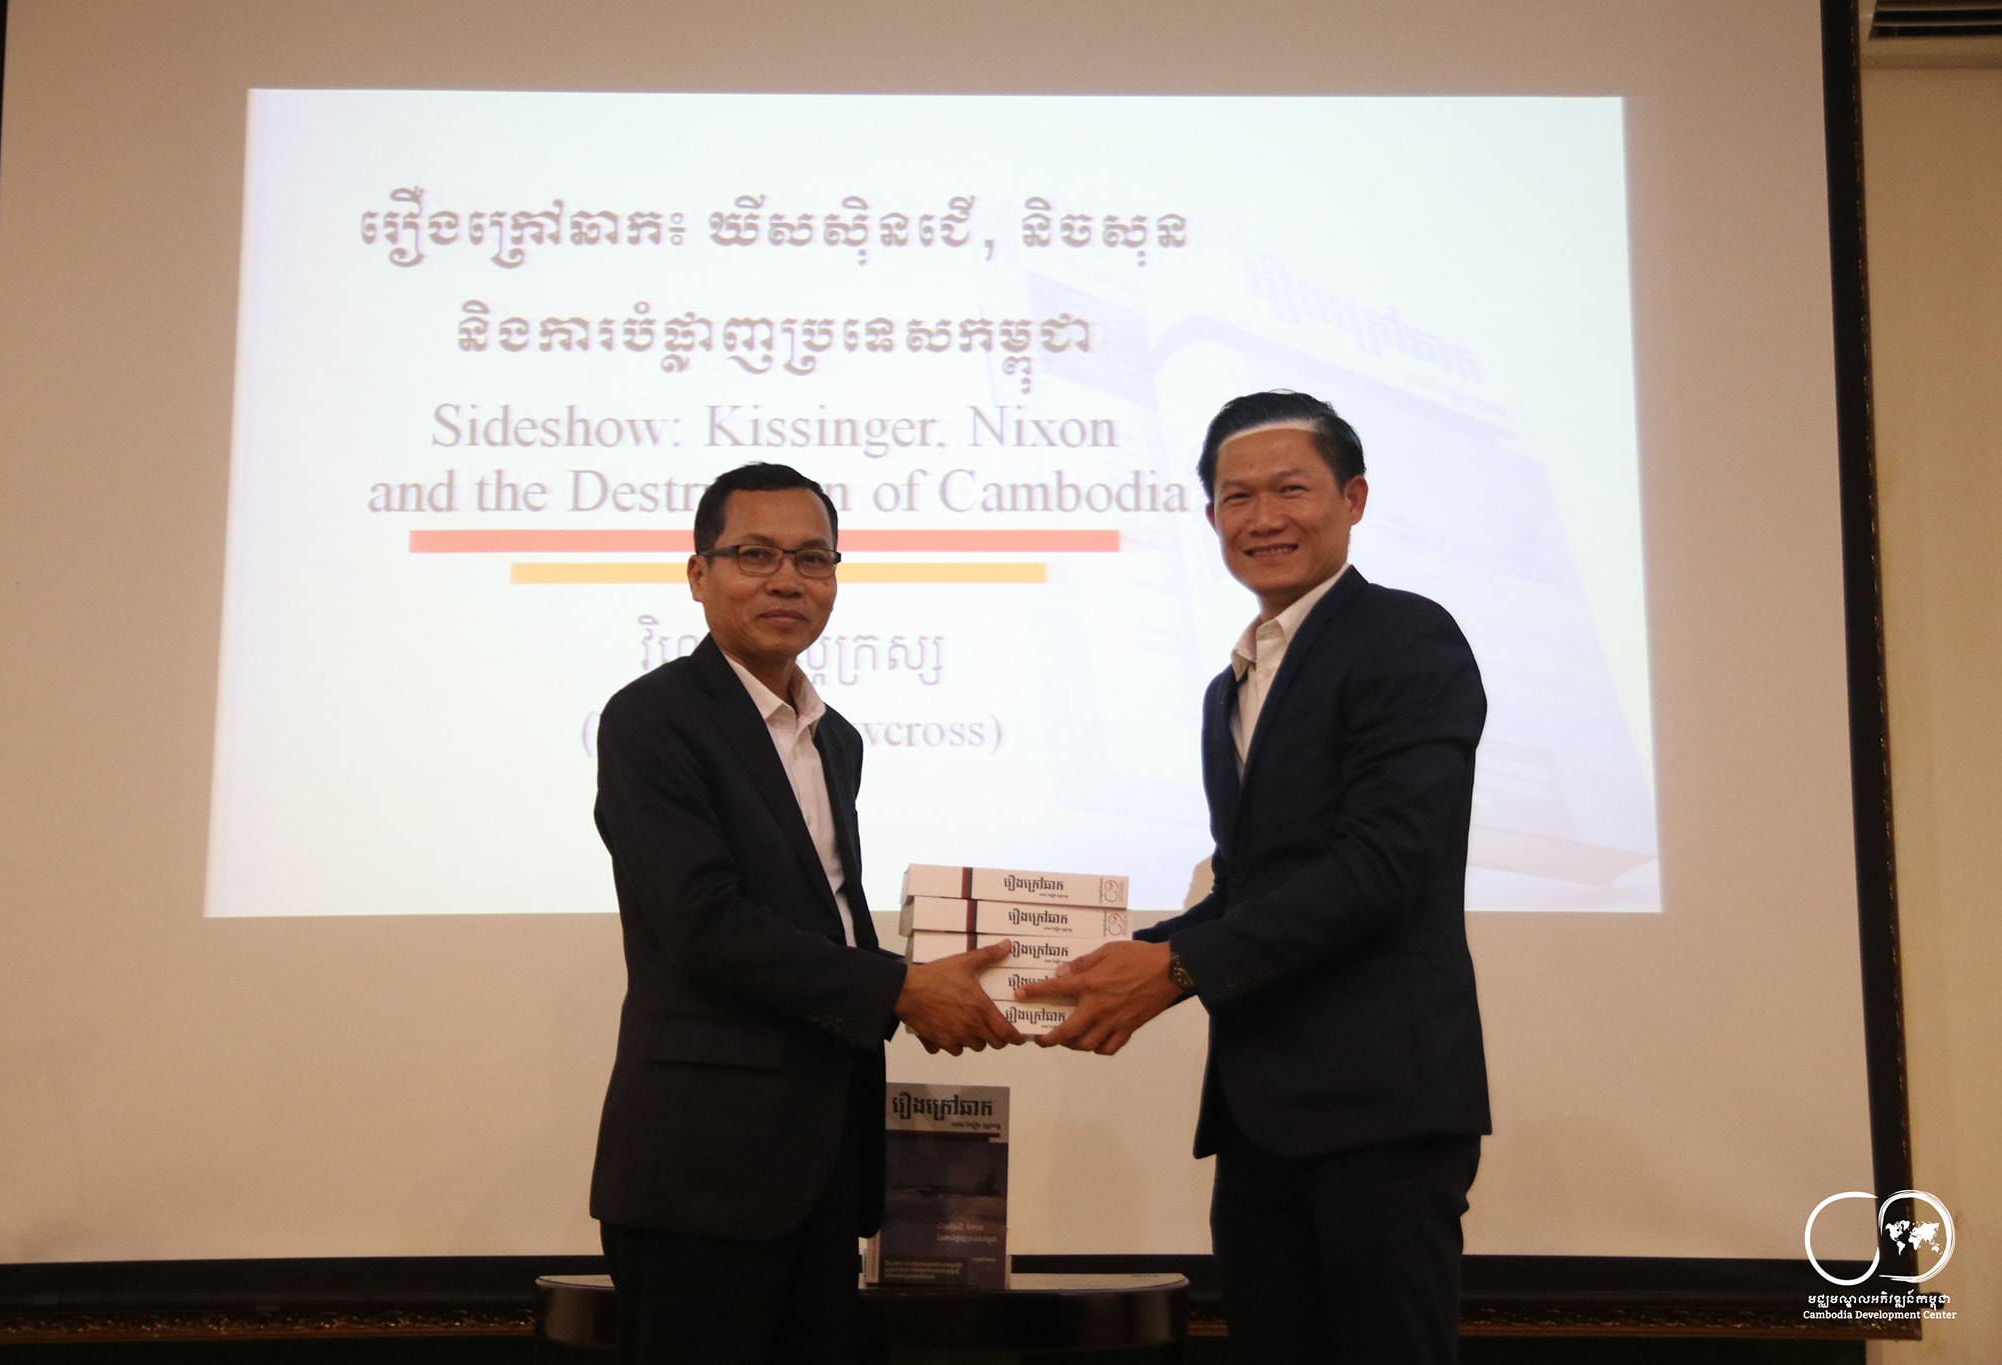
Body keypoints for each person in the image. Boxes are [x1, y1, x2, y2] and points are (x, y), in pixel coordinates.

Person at [1020, 392, 1491, 1363]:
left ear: (1352, 499)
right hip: (1260, 1117)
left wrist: (1175, 969)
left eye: (1291, 489)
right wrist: (1098, 962)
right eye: (1237, 497)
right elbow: (1247, 887)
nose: (1263, 517)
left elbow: (1384, 862)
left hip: (1380, 1109)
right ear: (1209, 517)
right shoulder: (1228, 687)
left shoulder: (1406, 638)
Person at [590, 461, 1021, 1365]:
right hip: (704, 1174)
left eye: (813, 558)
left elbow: (829, 922)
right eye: (756, 554)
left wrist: (935, 984)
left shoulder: (837, 739)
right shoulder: (652, 719)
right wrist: (902, 988)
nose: (788, 579)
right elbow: (704, 924)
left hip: (823, 1163)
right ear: (699, 573)